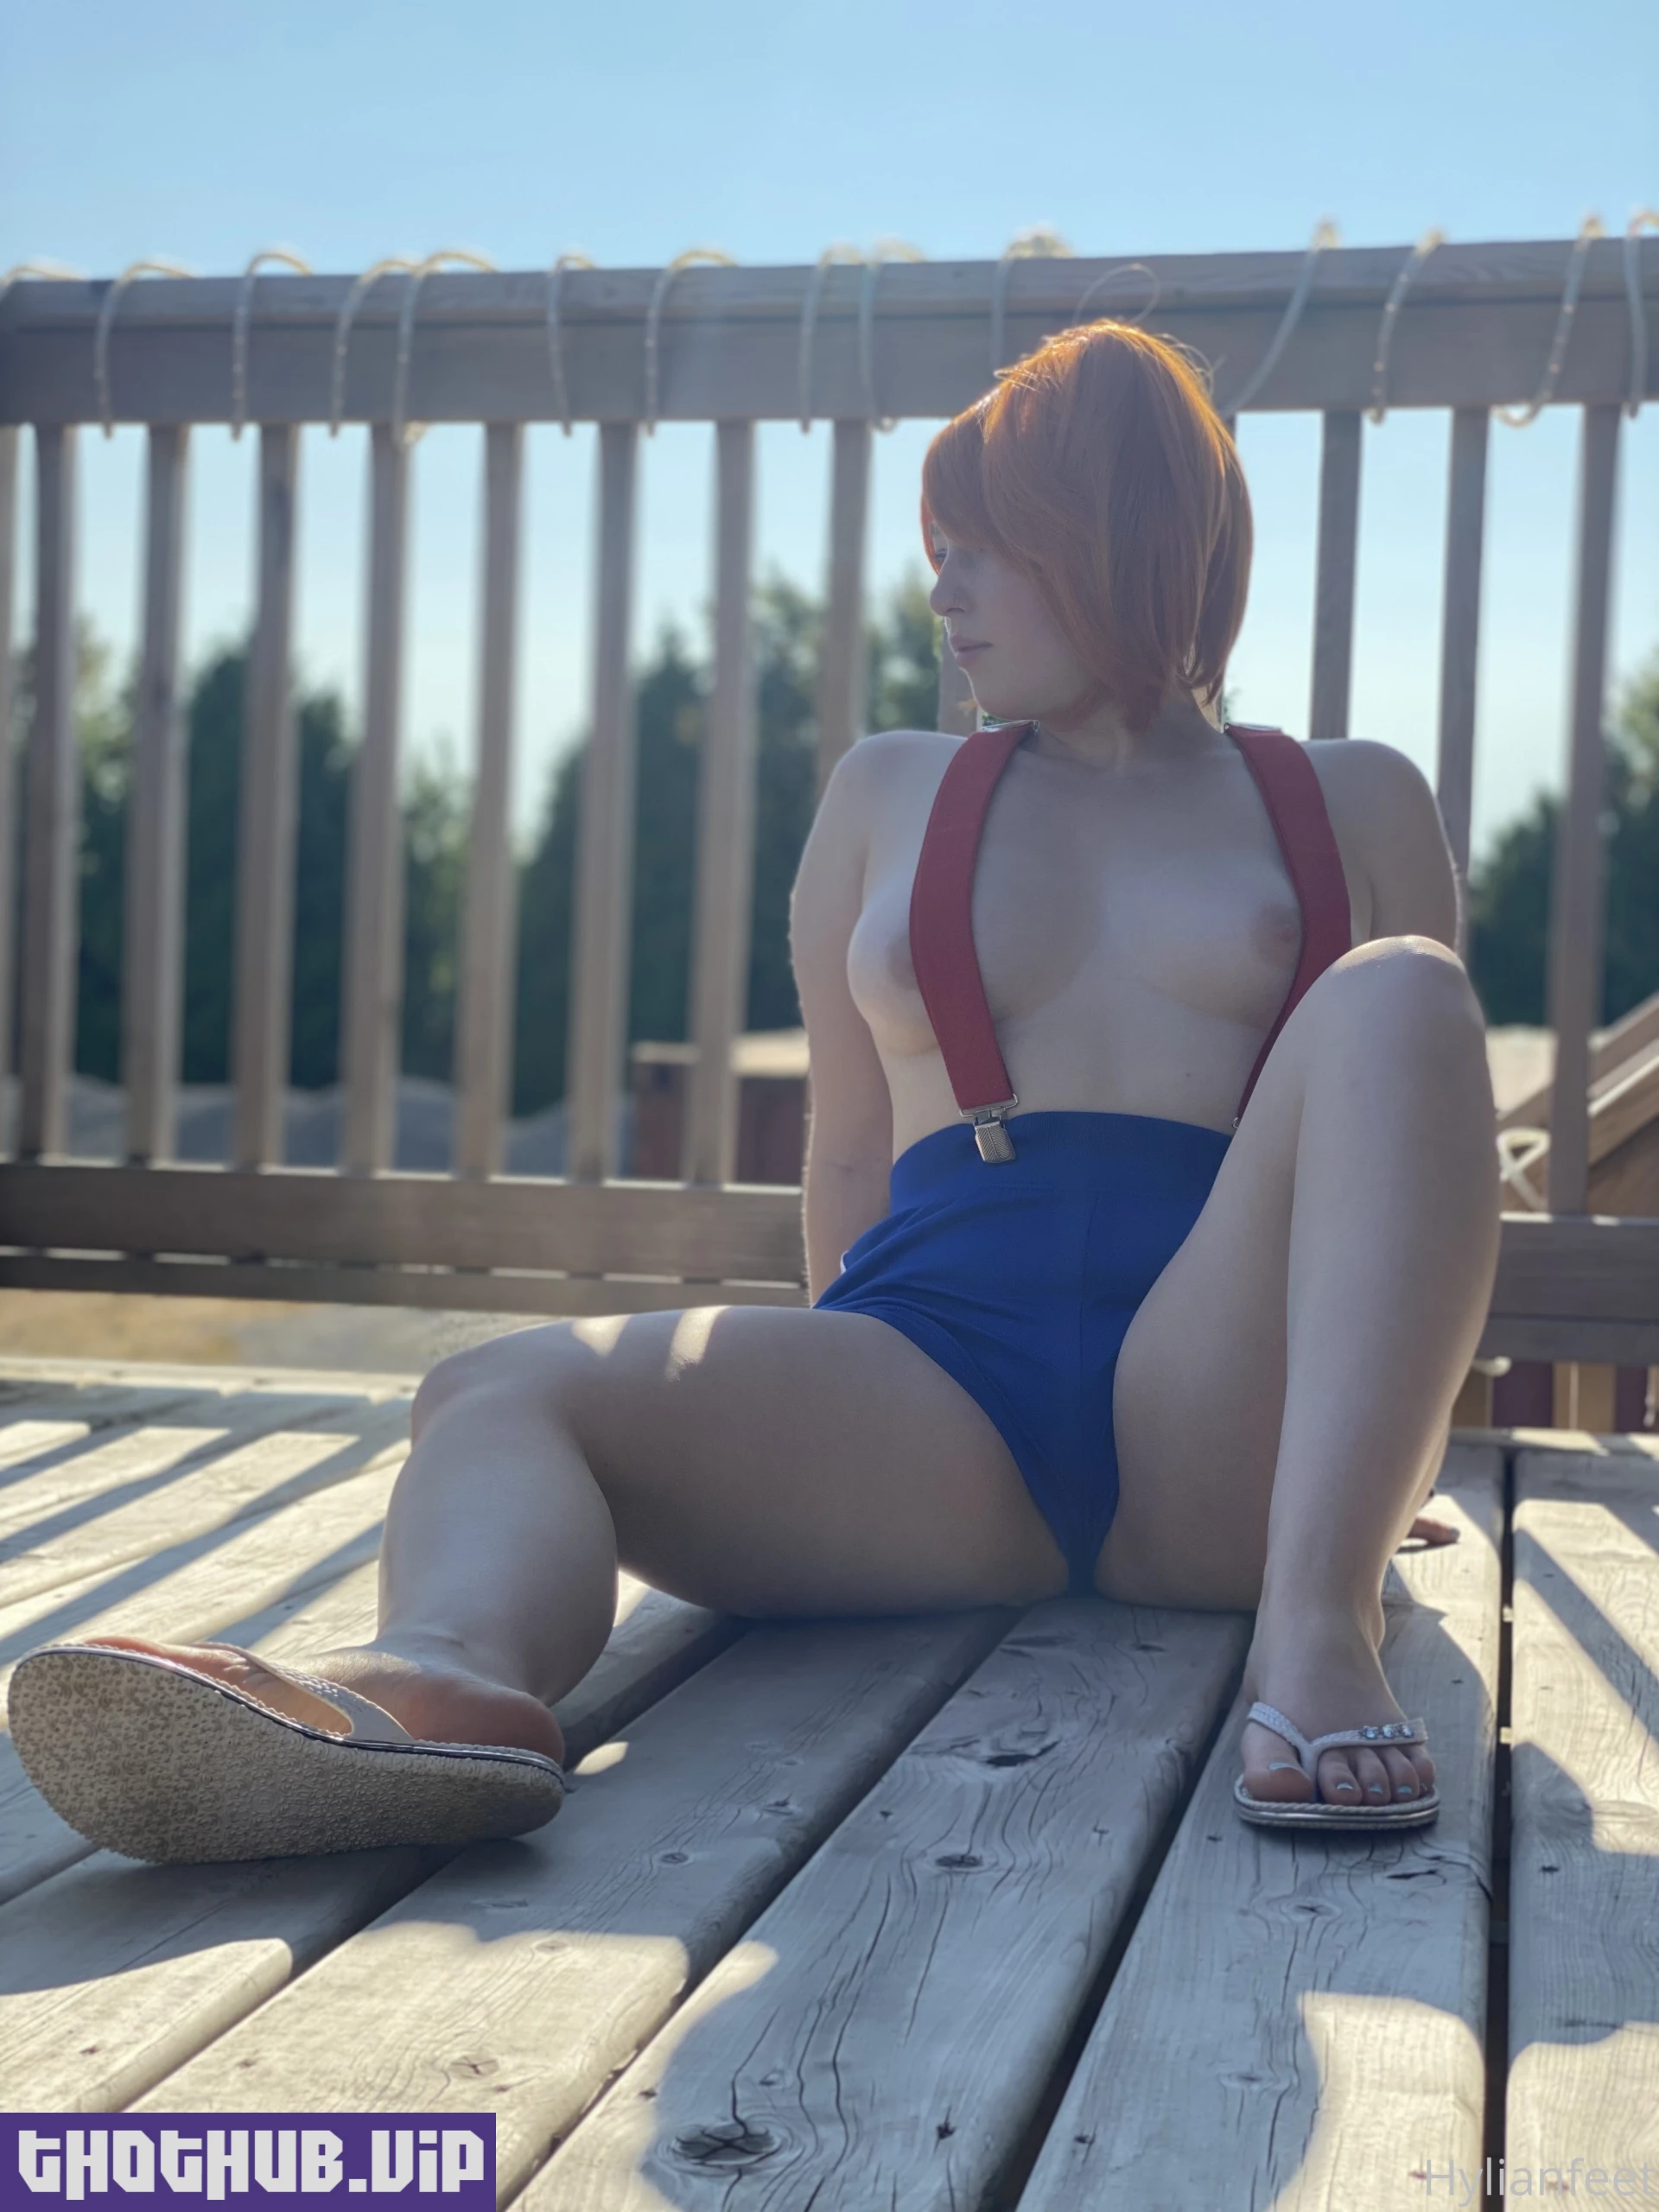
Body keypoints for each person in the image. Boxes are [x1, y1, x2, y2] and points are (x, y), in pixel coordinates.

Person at [10, 321, 1500, 1861]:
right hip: (940, 1399)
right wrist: (817, 1418)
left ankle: (1320, 1633)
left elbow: (1408, 1163)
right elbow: (848, 1153)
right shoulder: (888, 789)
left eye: (985, 552)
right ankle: (444, 1682)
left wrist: (1367, 1462)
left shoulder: (1354, 797)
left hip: (1219, 1409)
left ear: (1122, 536)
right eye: (939, 553)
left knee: (1404, 991)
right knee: (495, 1387)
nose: (944, 595)